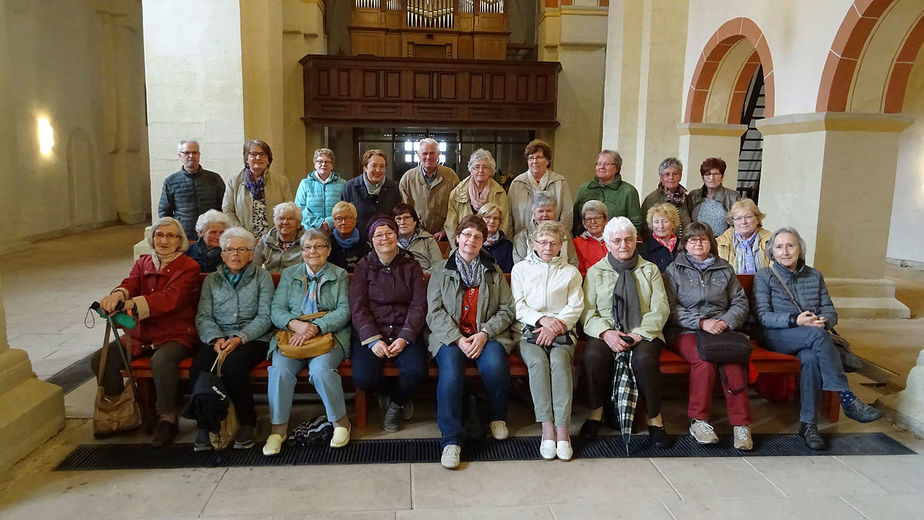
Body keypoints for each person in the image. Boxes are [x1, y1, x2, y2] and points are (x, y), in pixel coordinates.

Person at [754, 227, 882, 450]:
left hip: (813, 336)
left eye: (790, 246)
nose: (785, 252)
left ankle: (808, 425)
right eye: (779, 247)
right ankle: (847, 397)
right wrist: (797, 320)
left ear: (800, 249)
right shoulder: (764, 276)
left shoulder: (814, 275)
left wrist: (823, 321)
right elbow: (764, 316)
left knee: (812, 358)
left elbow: (830, 311)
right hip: (777, 336)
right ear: (771, 253)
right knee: (817, 337)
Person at [91, 217, 200, 447]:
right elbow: (130, 282)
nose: (164, 240)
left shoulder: (189, 267)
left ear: (180, 241)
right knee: (102, 357)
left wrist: (132, 304)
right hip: (141, 334)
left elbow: (171, 299)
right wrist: (118, 295)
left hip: (176, 333)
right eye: (159, 235)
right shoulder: (144, 263)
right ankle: (125, 410)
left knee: (161, 361)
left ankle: (168, 418)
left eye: (171, 236)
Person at [427, 215, 515, 469]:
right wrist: (457, 338)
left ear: (484, 242)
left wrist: (485, 333)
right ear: (457, 237)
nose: (471, 240)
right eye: (467, 234)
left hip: (485, 335)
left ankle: (497, 417)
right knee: (452, 373)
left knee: (496, 366)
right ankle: (451, 439)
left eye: (478, 236)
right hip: (450, 337)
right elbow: (434, 312)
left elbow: (507, 309)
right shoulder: (440, 270)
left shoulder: (493, 270)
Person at [581, 217, 671, 447]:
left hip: (643, 331)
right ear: (608, 244)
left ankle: (655, 419)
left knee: (645, 359)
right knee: (593, 357)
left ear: (636, 242)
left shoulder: (649, 270)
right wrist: (606, 333)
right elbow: (588, 312)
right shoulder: (595, 272)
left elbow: (660, 308)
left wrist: (638, 334)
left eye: (629, 239)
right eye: (617, 240)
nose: (623, 245)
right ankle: (595, 413)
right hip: (607, 331)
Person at [663, 222, 753, 450]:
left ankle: (741, 424)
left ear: (710, 243)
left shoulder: (725, 269)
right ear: (685, 244)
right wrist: (702, 322)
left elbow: (740, 303)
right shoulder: (675, 270)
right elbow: (670, 308)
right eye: (693, 240)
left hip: (722, 330)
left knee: (733, 360)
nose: (698, 243)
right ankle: (699, 421)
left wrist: (724, 322)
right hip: (687, 331)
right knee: (704, 360)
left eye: (703, 239)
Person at [264, 229, 352, 456]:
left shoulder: (339, 274)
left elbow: (344, 310)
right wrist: (296, 325)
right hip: (293, 334)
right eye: (307, 247)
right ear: (301, 251)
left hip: (327, 334)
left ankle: (340, 423)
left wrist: (316, 327)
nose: (313, 251)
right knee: (280, 370)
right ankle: (278, 429)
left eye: (319, 246)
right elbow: (276, 310)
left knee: (321, 370)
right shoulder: (289, 274)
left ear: (329, 249)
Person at [189, 227, 274, 451]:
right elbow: (203, 316)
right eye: (229, 250)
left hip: (254, 337)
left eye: (241, 249)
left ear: (250, 253)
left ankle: (247, 422)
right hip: (218, 336)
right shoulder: (212, 281)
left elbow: (266, 316)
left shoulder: (261, 277)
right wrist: (215, 338)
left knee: (233, 366)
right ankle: (205, 424)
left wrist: (240, 338)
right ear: (222, 254)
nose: (235, 254)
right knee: (199, 366)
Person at [511, 220, 584, 461]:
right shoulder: (521, 269)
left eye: (554, 243)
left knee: (560, 363)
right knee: (537, 364)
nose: (548, 247)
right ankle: (547, 428)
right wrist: (542, 321)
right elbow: (518, 305)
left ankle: (563, 430)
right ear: (533, 243)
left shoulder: (570, 272)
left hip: (562, 331)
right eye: (543, 242)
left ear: (561, 245)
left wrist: (557, 326)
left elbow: (576, 306)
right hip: (530, 330)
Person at [349, 217, 428, 432]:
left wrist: (405, 336)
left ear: (396, 235)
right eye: (378, 235)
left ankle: (397, 402)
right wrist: (373, 340)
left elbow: (418, 305)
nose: (384, 238)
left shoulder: (412, 265)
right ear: (371, 240)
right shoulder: (363, 267)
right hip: (373, 331)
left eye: (389, 233)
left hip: (405, 330)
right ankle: (387, 393)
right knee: (363, 378)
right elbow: (358, 307)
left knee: (417, 371)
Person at [222, 140, 293, 239]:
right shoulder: (234, 181)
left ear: (268, 160)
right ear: (247, 159)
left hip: (275, 239)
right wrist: (244, 235)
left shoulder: (281, 182)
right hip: (242, 239)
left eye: (262, 154)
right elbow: (228, 211)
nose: (258, 158)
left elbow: (289, 211)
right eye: (253, 154)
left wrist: (273, 235)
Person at [158, 140, 225, 239]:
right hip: (183, 235)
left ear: (199, 155)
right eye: (186, 152)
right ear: (180, 155)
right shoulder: (171, 182)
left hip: (211, 235)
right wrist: (172, 232)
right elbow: (164, 211)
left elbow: (224, 207)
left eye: (194, 152)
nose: (191, 156)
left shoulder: (214, 179)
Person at [508, 139, 574, 235]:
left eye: (539, 157)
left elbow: (567, 215)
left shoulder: (560, 182)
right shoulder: (517, 184)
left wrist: (558, 238)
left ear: (547, 161)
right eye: (531, 158)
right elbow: (509, 217)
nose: (535, 161)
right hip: (524, 241)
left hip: (552, 242)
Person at [399, 138, 460, 240]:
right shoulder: (408, 178)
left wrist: (444, 231)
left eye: (432, 153)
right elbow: (405, 210)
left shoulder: (450, 176)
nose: (428, 157)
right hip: (416, 234)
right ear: (418, 155)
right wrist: (418, 230)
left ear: (438, 154)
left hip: (446, 235)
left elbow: (457, 207)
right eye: (424, 153)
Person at [445, 149, 512, 241]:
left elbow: (504, 222)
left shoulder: (499, 193)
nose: (481, 170)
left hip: (491, 246)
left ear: (490, 171)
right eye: (477, 167)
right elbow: (450, 225)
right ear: (471, 170)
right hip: (465, 244)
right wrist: (459, 246)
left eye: (485, 167)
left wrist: (495, 243)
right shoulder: (457, 193)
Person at [572, 150, 642, 236]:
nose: (601, 167)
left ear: (617, 168)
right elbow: (575, 220)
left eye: (606, 164)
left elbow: (635, 223)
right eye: (599, 163)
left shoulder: (629, 191)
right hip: (587, 242)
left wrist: (618, 239)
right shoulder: (584, 189)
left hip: (616, 243)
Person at [341, 149, 401, 240]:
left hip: (385, 241)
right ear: (365, 167)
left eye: (382, 166)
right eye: (374, 166)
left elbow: (397, 217)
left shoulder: (393, 188)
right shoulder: (350, 187)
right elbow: (343, 216)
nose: (378, 170)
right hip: (357, 241)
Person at [513, 192, 578, 268]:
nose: (545, 215)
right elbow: (520, 266)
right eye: (540, 211)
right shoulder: (522, 237)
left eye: (549, 211)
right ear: (534, 214)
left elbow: (574, 262)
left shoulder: (564, 235)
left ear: (555, 213)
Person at [294, 148, 346, 232]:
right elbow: (299, 208)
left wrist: (329, 222)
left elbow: (345, 208)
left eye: (327, 162)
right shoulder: (305, 183)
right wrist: (319, 223)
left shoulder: (342, 184)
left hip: (336, 231)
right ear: (315, 164)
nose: (323, 164)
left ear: (332, 165)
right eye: (320, 161)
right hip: (311, 231)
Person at [716, 198, 772, 274]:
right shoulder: (720, 242)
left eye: (748, 217)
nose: (743, 222)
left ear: (757, 218)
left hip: (764, 285)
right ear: (733, 221)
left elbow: (775, 273)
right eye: (738, 218)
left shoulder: (771, 241)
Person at [640, 158, 692, 238]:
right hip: (660, 247)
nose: (671, 177)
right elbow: (645, 229)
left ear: (680, 176)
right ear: (661, 177)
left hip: (684, 245)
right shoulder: (652, 199)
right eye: (667, 174)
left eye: (675, 174)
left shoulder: (686, 198)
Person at [688, 157, 740, 236]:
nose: (711, 178)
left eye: (716, 174)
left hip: (724, 243)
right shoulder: (694, 196)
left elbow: (738, 223)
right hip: (698, 241)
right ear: (703, 178)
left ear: (722, 177)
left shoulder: (733, 197)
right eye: (707, 174)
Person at [253, 202, 305, 273]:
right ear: (275, 222)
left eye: (290, 219)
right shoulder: (266, 240)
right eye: (281, 218)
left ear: (298, 223)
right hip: (270, 281)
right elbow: (254, 266)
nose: (285, 222)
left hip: (296, 281)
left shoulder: (307, 242)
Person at [393, 203, 443, 272]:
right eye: (398, 218)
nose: (402, 222)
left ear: (415, 221)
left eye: (406, 218)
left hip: (424, 277)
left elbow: (438, 266)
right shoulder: (390, 241)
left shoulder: (428, 239)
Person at [328, 201, 370, 273]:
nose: (343, 222)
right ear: (334, 222)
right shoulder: (328, 243)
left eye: (348, 218)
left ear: (355, 220)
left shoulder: (365, 242)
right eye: (339, 218)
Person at [639, 203, 681, 273]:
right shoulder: (645, 248)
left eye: (665, 221)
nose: (661, 226)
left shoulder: (683, 245)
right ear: (652, 225)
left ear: (673, 224)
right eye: (656, 222)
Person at [572, 200, 608, 275]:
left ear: (605, 220)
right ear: (584, 223)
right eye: (588, 219)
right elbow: (578, 271)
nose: (593, 222)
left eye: (597, 218)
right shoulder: (576, 243)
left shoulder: (614, 241)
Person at [477, 202, 514, 273]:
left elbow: (508, 272)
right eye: (488, 217)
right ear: (480, 220)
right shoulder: (473, 242)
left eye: (496, 218)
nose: (492, 221)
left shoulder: (507, 246)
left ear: (500, 222)